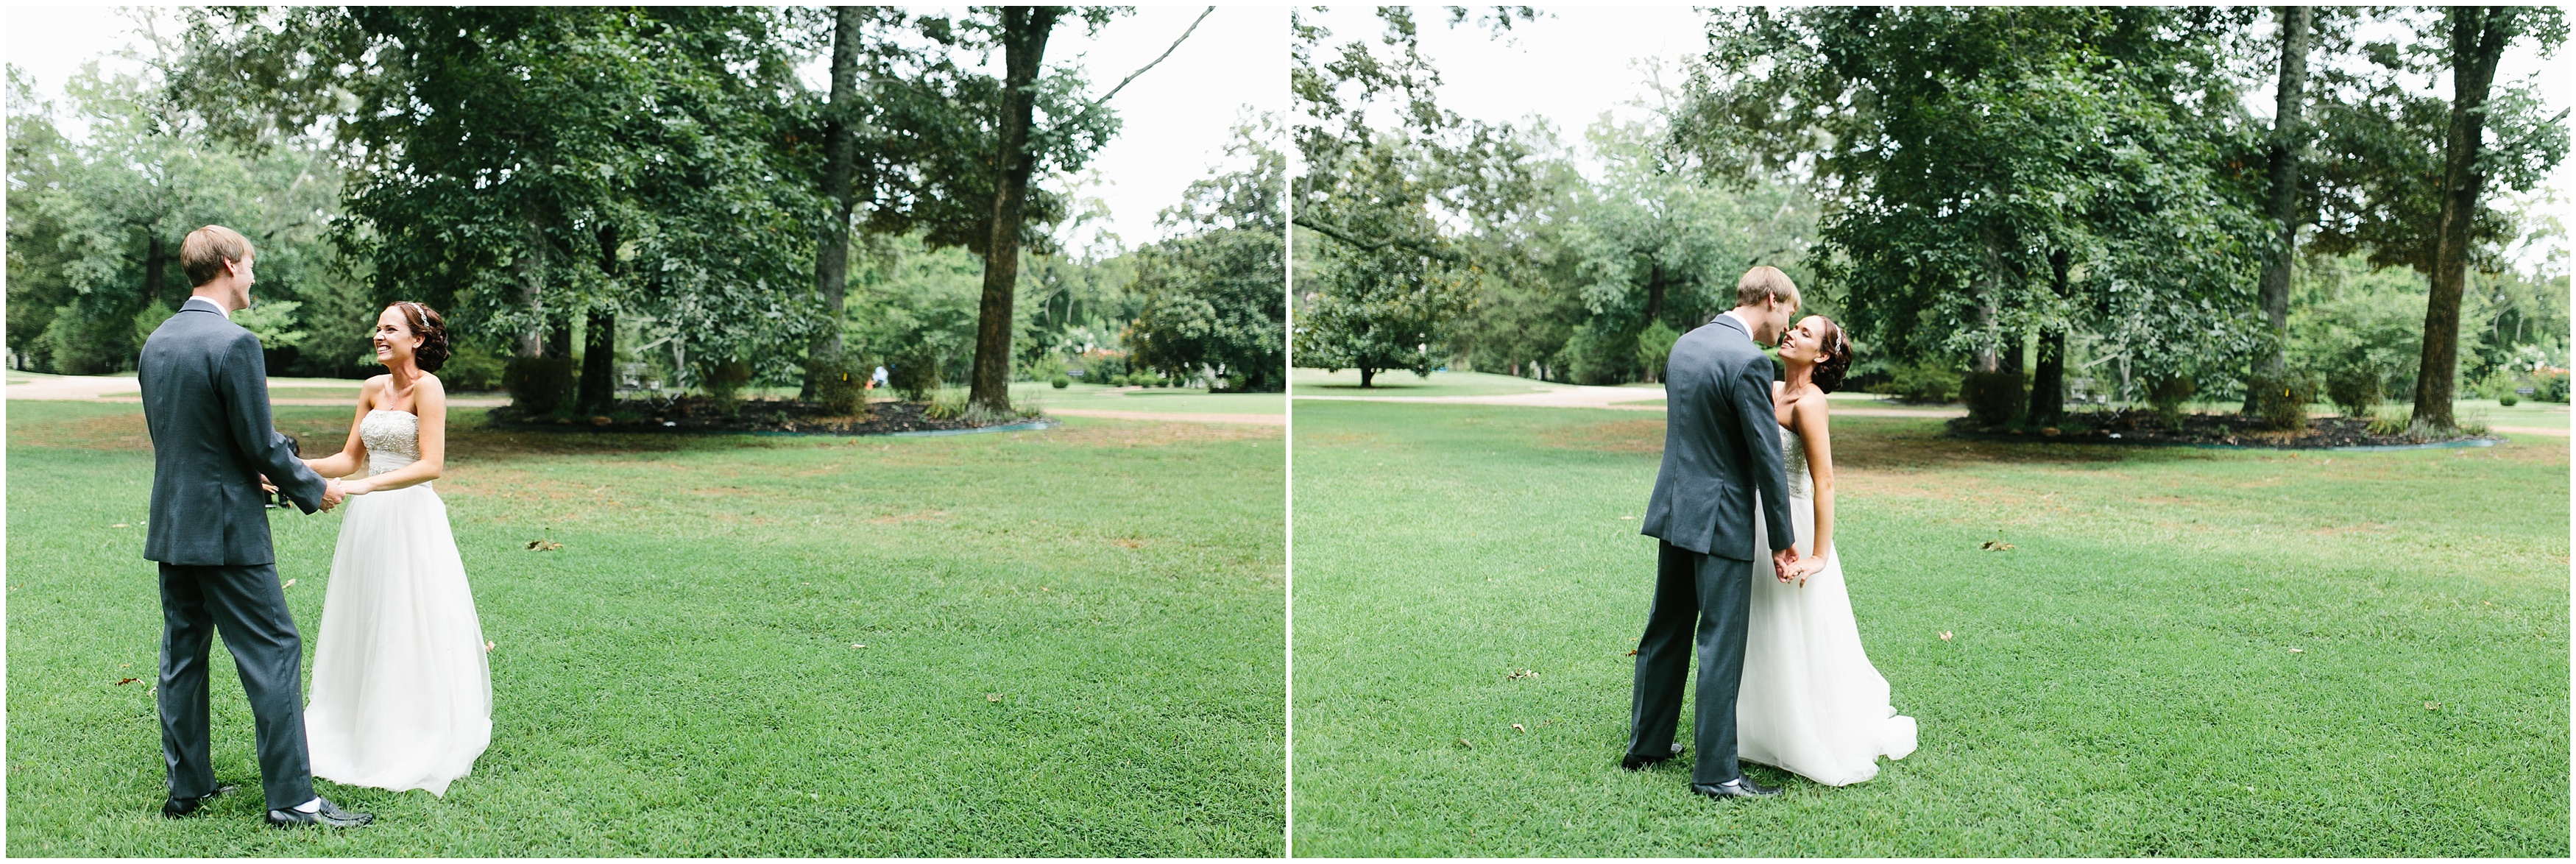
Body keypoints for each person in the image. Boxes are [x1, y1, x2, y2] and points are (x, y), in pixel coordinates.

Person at [138, 224, 372, 828]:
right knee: (274, 650)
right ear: (228, 264)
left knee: (182, 655)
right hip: (226, 531)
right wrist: (310, 488)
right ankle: (294, 800)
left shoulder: (157, 343)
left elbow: (196, 439)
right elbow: (259, 444)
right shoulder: (234, 344)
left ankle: (186, 789)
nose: (254, 277)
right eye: (251, 265)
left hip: (173, 524)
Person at [297, 301, 493, 798]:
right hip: (367, 525)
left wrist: (363, 487)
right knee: (364, 617)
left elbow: (431, 465)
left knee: (406, 619)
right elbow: (347, 458)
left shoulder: (428, 388)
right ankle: (356, 726)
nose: (378, 336)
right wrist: (288, 470)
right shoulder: (370, 389)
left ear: (418, 339)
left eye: (390, 329)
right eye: (377, 328)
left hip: (410, 518)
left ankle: (409, 729)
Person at [1627, 266, 1803, 800]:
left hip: (1676, 508)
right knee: (1721, 643)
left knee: (1667, 628)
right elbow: (1766, 459)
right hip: (1722, 515)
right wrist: (1782, 537)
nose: (1786, 325)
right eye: (1788, 312)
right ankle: (1717, 774)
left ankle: (1648, 744)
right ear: (1771, 299)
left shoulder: (1686, 345)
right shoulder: (1748, 361)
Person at [1736, 314, 1917, 785]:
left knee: (1795, 627)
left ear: (1821, 356)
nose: (1792, 331)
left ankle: (1804, 731)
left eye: (1806, 332)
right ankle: (1755, 728)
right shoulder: (1769, 386)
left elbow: (1826, 483)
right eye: (1794, 325)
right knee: (1759, 621)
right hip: (1754, 519)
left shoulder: (1811, 403)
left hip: (1793, 523)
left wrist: (1818, 554)